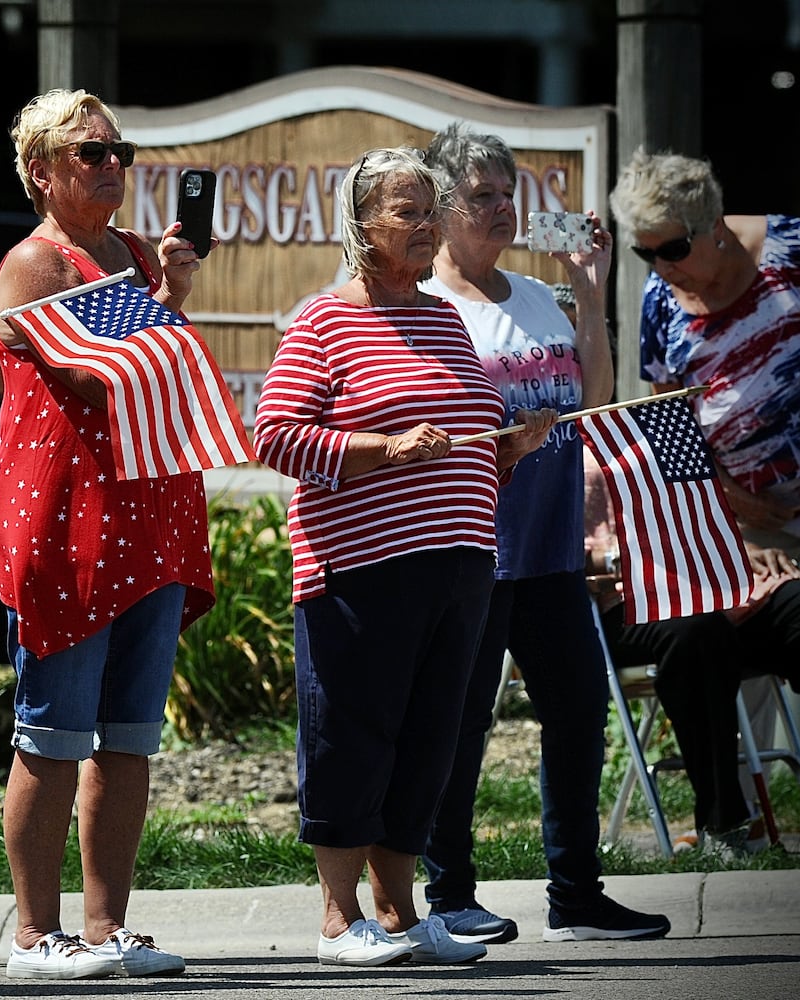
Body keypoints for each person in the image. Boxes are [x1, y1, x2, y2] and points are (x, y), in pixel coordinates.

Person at [252, 145, 553, 969]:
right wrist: (382, 450)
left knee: (430, 741)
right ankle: (338, 919)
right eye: (407, 212)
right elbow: (275, 435)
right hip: (361, 568)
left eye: (431, 211)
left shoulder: (443, 316)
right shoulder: (325, 318)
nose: (426, 228)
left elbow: (467, 440)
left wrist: (512, 446)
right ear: (362, 225)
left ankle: (399, 913)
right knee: (356, 736)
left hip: (458, 566)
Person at [416, 123, 671, 945]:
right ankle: (448, 891)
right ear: (443, 206)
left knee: (577, 714)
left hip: (552, 547)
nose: (500, 208)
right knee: (460, 725)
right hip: (472, 549)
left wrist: (590, 291)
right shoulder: (427, 307)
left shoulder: (534, 295)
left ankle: (576, 895)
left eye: (507, 192)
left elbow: (594, 400)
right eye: (480, 195)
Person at [0, 87, 216, 981]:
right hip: (64, 517)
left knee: (127, 736)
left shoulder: (128, 254)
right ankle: (35, 939)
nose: (114, 165)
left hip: (147, 510)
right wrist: (163, 310)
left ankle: (104, 928)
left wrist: (172, 291)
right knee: (52, 735)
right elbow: (95, 379)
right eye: (93, 154)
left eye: (121, 151)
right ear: (42, 173)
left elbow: (160, 368)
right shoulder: (32, 265)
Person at [584, 447, 800, 856]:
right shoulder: (532, 449)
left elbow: (693, 517)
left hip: (715, 589)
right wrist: (615, 558)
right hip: (623, 603)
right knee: (698, 629)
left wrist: (740, 547)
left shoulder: (646, 437)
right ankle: (725, 824)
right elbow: (519, 552)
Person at [607, 148, 800, 584]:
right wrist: (728, 494)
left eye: (675, 249)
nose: (663, 268)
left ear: (715, 225)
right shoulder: (659, 297)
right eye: (647, 254)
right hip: (751, 517)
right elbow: (667, 415)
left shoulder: (796, 251)